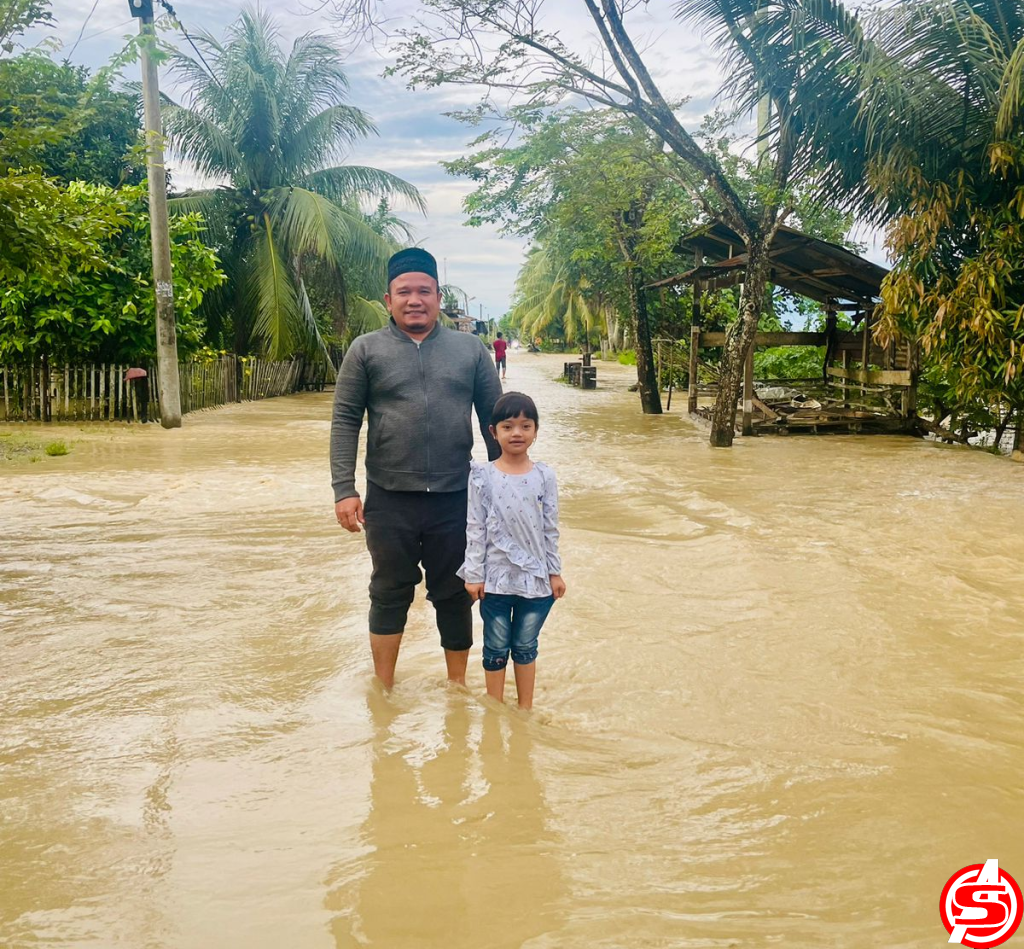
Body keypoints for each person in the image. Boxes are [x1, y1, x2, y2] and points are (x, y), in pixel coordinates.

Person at [331, 247, 502, 689]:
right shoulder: (365, 350)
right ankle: (383, 690)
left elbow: (495, 423)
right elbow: (346, 419)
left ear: (438, 297)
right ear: (387, 300)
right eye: (403, 291)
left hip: (455, 497)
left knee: (455, 593)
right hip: (389, 499)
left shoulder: (471, 350)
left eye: (423, 290)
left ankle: (457, 690)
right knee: (389, 592)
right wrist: (343, 488)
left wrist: (502, 488)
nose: (414, 299)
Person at [458, 392, 566, 709]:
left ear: (535, 431)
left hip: (535, 580)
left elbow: (550, 528)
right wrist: (474, 575)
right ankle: (494, 709)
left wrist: (554, 572)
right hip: (494, 580)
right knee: (494, 646)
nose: (517, 433)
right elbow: (475, 527)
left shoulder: (545, 475)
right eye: (508, 426)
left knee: (525, 645)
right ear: (493, 432)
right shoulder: (481, 476)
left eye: (525, 425)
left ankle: (525, 710)